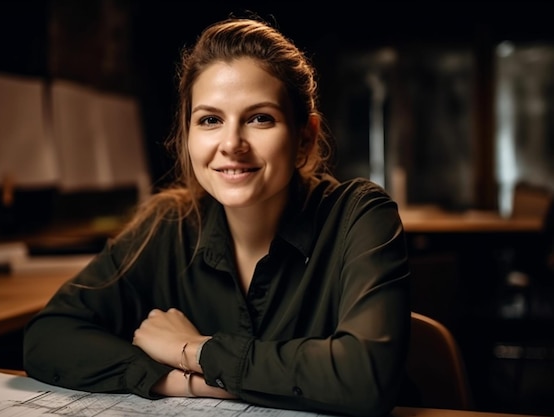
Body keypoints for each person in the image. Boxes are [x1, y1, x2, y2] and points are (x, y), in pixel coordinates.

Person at [23, 15, 411, 417]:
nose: (231, 144)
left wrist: (193, 350)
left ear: (304, 137)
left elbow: (365, 378)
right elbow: (47, 336)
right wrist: (181, 381)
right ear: (188, 135)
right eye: (210, 120)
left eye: (260, 118)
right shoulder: (167, 226)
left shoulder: (359, 215)